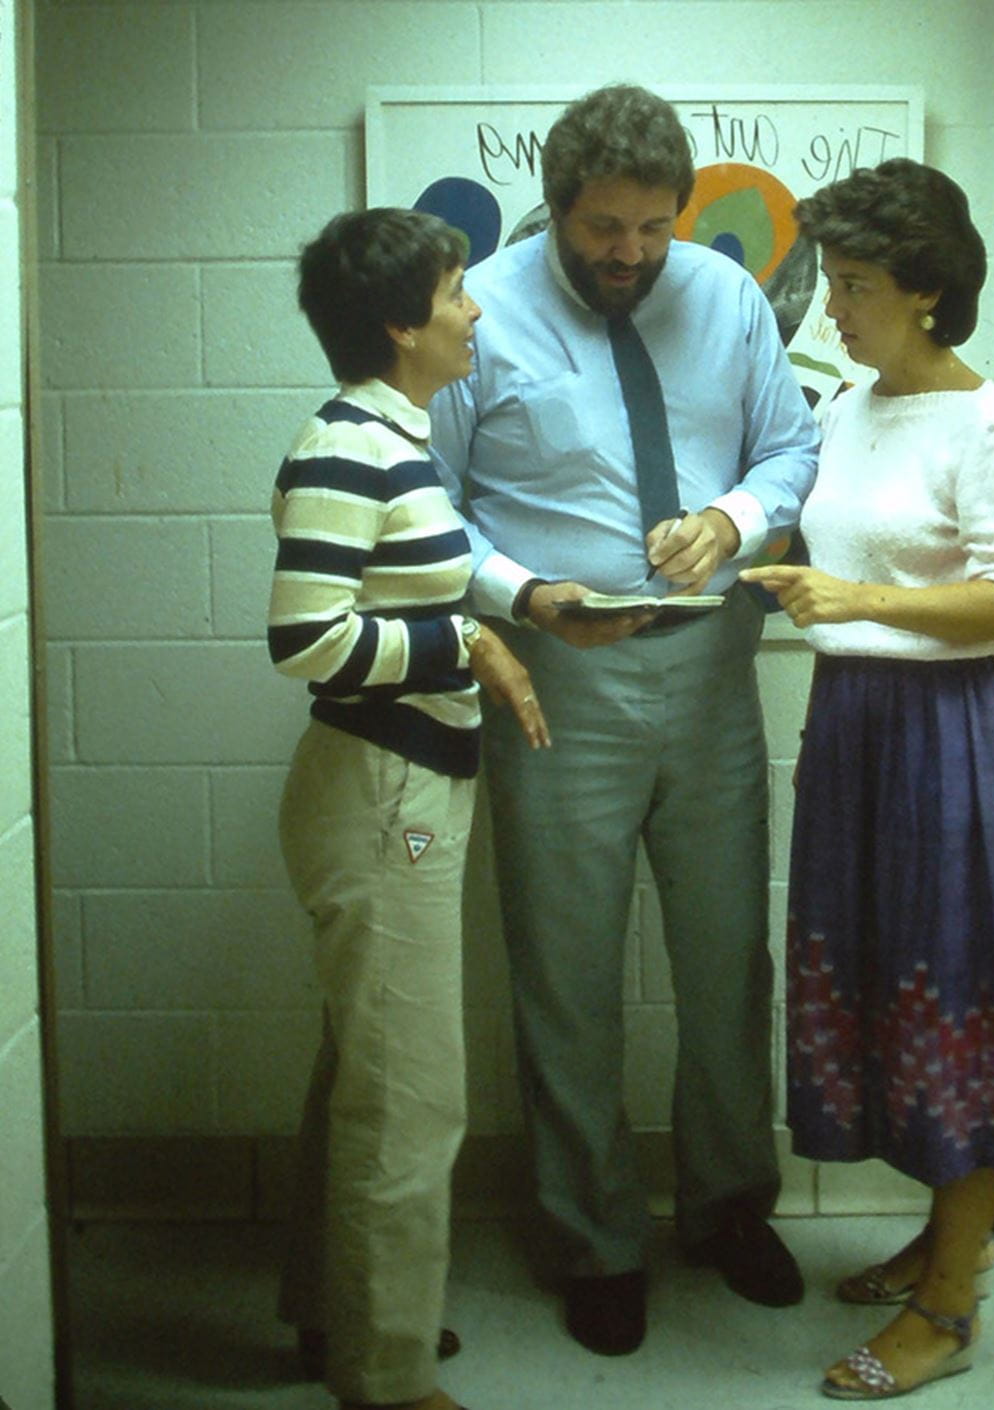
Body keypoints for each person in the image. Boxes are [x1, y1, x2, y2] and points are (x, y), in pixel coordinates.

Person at [429, 84, 819, 1356]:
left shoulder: (722, 296)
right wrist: (524, 594)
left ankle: (725, 1208)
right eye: (605, 229)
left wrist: (733, 520)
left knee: (725, 965)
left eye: (653, 226)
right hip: (559, 684)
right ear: (557, 210)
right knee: (566, 975)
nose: (631, 255)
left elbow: (789, 450)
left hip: (710, 674)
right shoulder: (478, 311)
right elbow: (427, 508)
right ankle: (592, 1239)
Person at [741, 158, 994, 1401]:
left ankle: (951, 1302)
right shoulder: (846, 408)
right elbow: (823, 532)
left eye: (859, 285)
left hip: (955, 737)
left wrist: (863, 598)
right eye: (833, 280)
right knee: (882, 982)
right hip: (855, 729)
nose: (835, 307)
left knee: (963, 998)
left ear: (928, 295)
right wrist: (734, 543)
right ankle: (940, 1237)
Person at [269, 207, 549, 1410]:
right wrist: (467, 642)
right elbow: (306, 641)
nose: (474, 311)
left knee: (367, 1073)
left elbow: (434, 571)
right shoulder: (346, 442)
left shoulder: (395, 435)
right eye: (453, 294)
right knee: (412, 1098)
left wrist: (528, 607)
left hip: (402, 789)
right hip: (384, 798)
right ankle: (382, 1377)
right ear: (398, 324)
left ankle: (334, 1315)